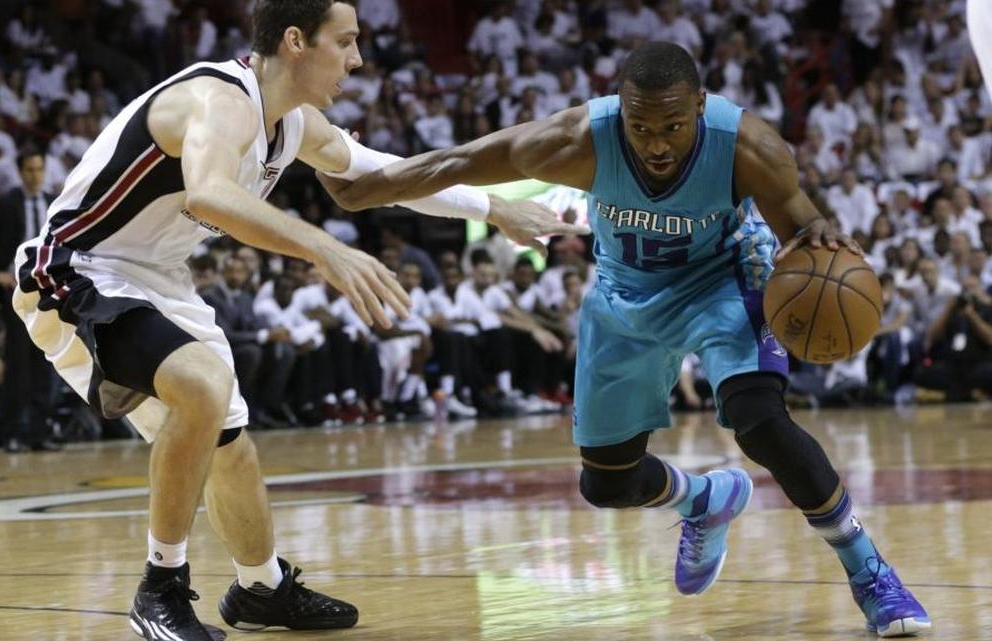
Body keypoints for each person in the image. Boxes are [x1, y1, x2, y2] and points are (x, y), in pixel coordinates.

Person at [10, 2, 584, 640]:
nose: (357, 59)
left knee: (230, 447)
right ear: (295, 41)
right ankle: (160, 588)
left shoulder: (293, 124)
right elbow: (209, 194)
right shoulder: (218, 99)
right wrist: (323, 247)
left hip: (159, 280)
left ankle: (262, 588)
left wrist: (494, 208)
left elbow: (381, 174)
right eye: (346, 41)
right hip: (79, 267)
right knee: (203, 387)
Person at [323, 41, 930, 637]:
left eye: (672, 126)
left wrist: (819, 237)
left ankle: (869, 571)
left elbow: (802, 223)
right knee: (607, 484)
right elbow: (457, 162)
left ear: (700, 105)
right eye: (641, 128)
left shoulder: (749, 147)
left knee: (760, 421)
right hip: (624, 294)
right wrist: (365, 189)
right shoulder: (576, 141)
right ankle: (702, 500)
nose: (657, 144)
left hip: (721, 280)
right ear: (620, 111)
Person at [0, 150, 60, 452]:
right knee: (18, 364)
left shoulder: (54, 203)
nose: (35, 175)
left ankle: (39, 432)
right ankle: (12, 433)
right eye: (29, 169)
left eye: (39, 169)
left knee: (45, 362)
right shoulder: (5, 203)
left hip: (48, 290)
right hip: (16, 291)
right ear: (20, 172)